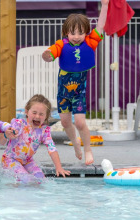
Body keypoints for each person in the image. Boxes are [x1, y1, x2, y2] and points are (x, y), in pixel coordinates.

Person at [42, 0, 109, 165]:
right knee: (65, 122)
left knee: (80, 122)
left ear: (86, 32)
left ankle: (87, 149)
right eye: (73, 33)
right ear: (66, 32)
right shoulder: (61, 44)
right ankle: (76, 144)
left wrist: (105, 6)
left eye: (81, 33)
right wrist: (47, 56)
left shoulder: (90, 42)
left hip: (79, 93)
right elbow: (51, 53)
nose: (77, 37)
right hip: (63, 93)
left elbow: (100, 27)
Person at [1, 94, 71, 184]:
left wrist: (59, 167)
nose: (37, 116)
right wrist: (6, 135)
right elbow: (2, 142)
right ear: (26, 111)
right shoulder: (19, 125)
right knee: (26, 180)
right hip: (10, 160)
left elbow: (52, 149)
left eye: (41, 114)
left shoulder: (44, 130)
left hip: (27, 161)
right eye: (34, 113)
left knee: (42, 181)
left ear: (46, 116)